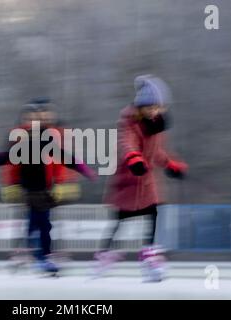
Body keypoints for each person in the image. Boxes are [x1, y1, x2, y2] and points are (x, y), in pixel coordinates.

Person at [0, 98, 95, 275]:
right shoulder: (22, 144)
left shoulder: (46, 143)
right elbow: (6, 157)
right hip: (29, 191)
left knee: (43, 225)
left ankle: (42, 256)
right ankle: (39, 255)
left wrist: (83, 168)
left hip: (44, 191)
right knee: (37, 224)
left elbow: (64, 157)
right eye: (29, 120)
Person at [99, 75, 188, 281]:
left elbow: (157, 153)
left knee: (153, 214)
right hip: (129, 177)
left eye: (157, 107)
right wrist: (134, 159)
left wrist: (172, 165)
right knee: (120, 220)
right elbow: (127, 143)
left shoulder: (156, 127)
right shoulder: (129, 122)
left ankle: (150, 257)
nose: (153, 111)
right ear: (139, 107)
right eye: (148, 107)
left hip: (146, 181)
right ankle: (105, 255)